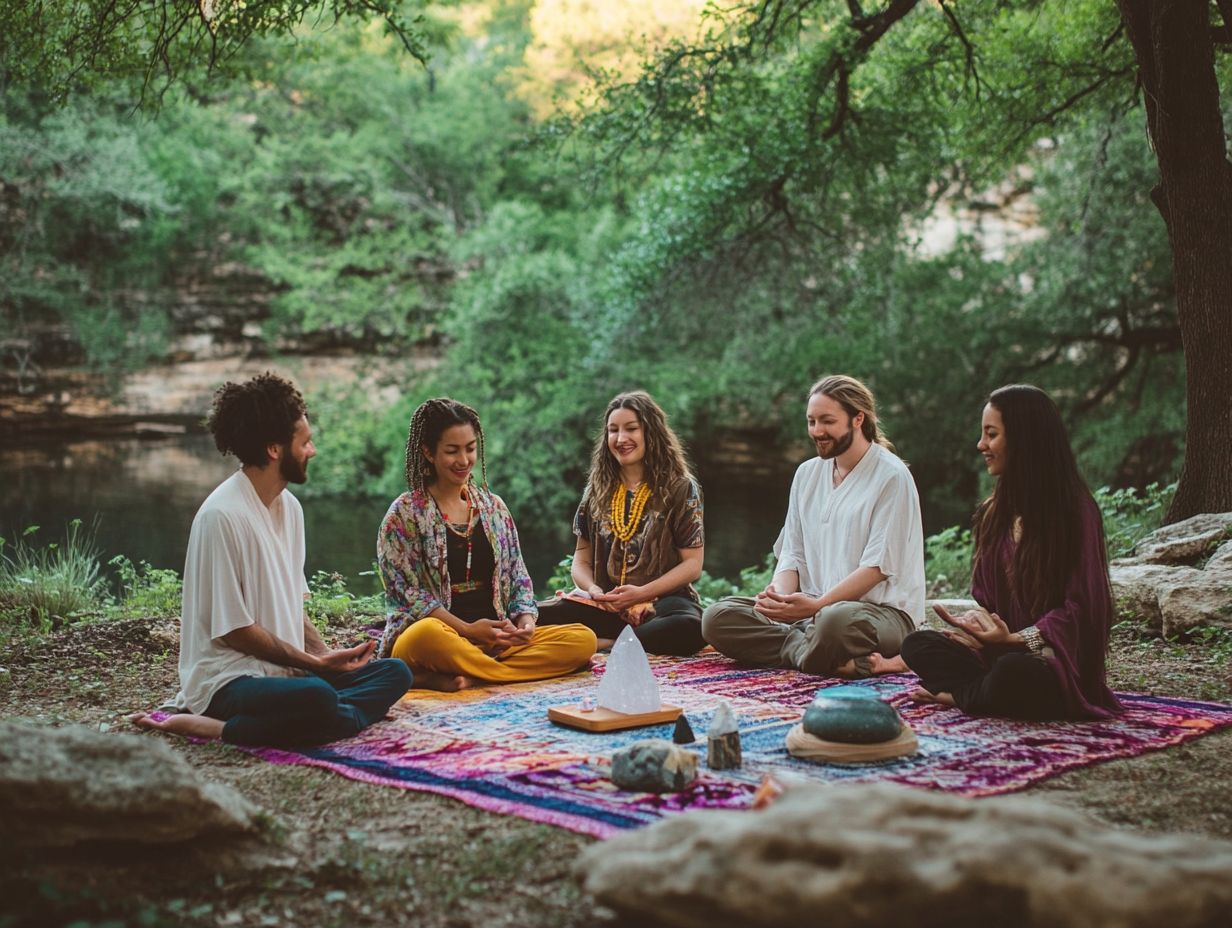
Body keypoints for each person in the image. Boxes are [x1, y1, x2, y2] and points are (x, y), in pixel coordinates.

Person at [132, 372, 412, 747]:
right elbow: (234, 630)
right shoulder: (222, 516)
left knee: (395, 673)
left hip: (286, 673)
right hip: (227, 681)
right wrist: (314, 667)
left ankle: (332, 718)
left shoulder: (290, 509)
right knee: (318, 696)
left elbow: (291, 606)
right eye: (305, 443)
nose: (312, 451)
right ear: (274, 449)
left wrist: (328, 657)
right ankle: (218, 726)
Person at [896, 384, 1123, 720]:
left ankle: (961, 696)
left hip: (1053, 666)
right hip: (999, 658)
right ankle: (980, 693)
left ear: (1023, 439)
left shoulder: (1076, 511)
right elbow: (988, 601)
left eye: (991, 434)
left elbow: (1083, 608)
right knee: (917, 645)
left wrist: (1018, 640)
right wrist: (980, 633)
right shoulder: (995, 512)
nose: (981, 445)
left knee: (1013, 674)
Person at [702, 374, 925, 676]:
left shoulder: (892, 476)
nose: (817, 431)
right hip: (810, 615)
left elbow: (877, 567)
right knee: (718, 617)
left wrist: (817, 605)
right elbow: (792, 552)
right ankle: (821, 656)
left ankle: (808, 649)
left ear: (857, 419)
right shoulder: (806, 474)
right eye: (811, 421)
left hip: (876, 615)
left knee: (835, 623)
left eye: (827, 421)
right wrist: (779, 598)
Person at [377, 398, 595, 689]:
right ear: (428, 452)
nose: (464, 460)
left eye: (470, 448)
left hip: (496, 641)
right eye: (452, 451)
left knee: (582, 639)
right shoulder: (404, 514)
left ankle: (461, 676)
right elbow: (407, 594)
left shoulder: (494, 508)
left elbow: (518, 576)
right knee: (424, 635)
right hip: (443, 636)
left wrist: (526, 623)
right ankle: (479, 672)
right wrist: (468, 630)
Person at [537, 391, 707, 656]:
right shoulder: (598, 489)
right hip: (607, 605)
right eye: (613, 430)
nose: (620, 439)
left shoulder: (680, 487)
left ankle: (609, 644)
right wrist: (594, 591)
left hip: (662, 605)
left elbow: (692, 565)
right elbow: (581, 560)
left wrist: (640, 594)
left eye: (631, 429)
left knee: (690, 626)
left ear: (651, 432)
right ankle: (625, 641)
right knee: (530, 616)